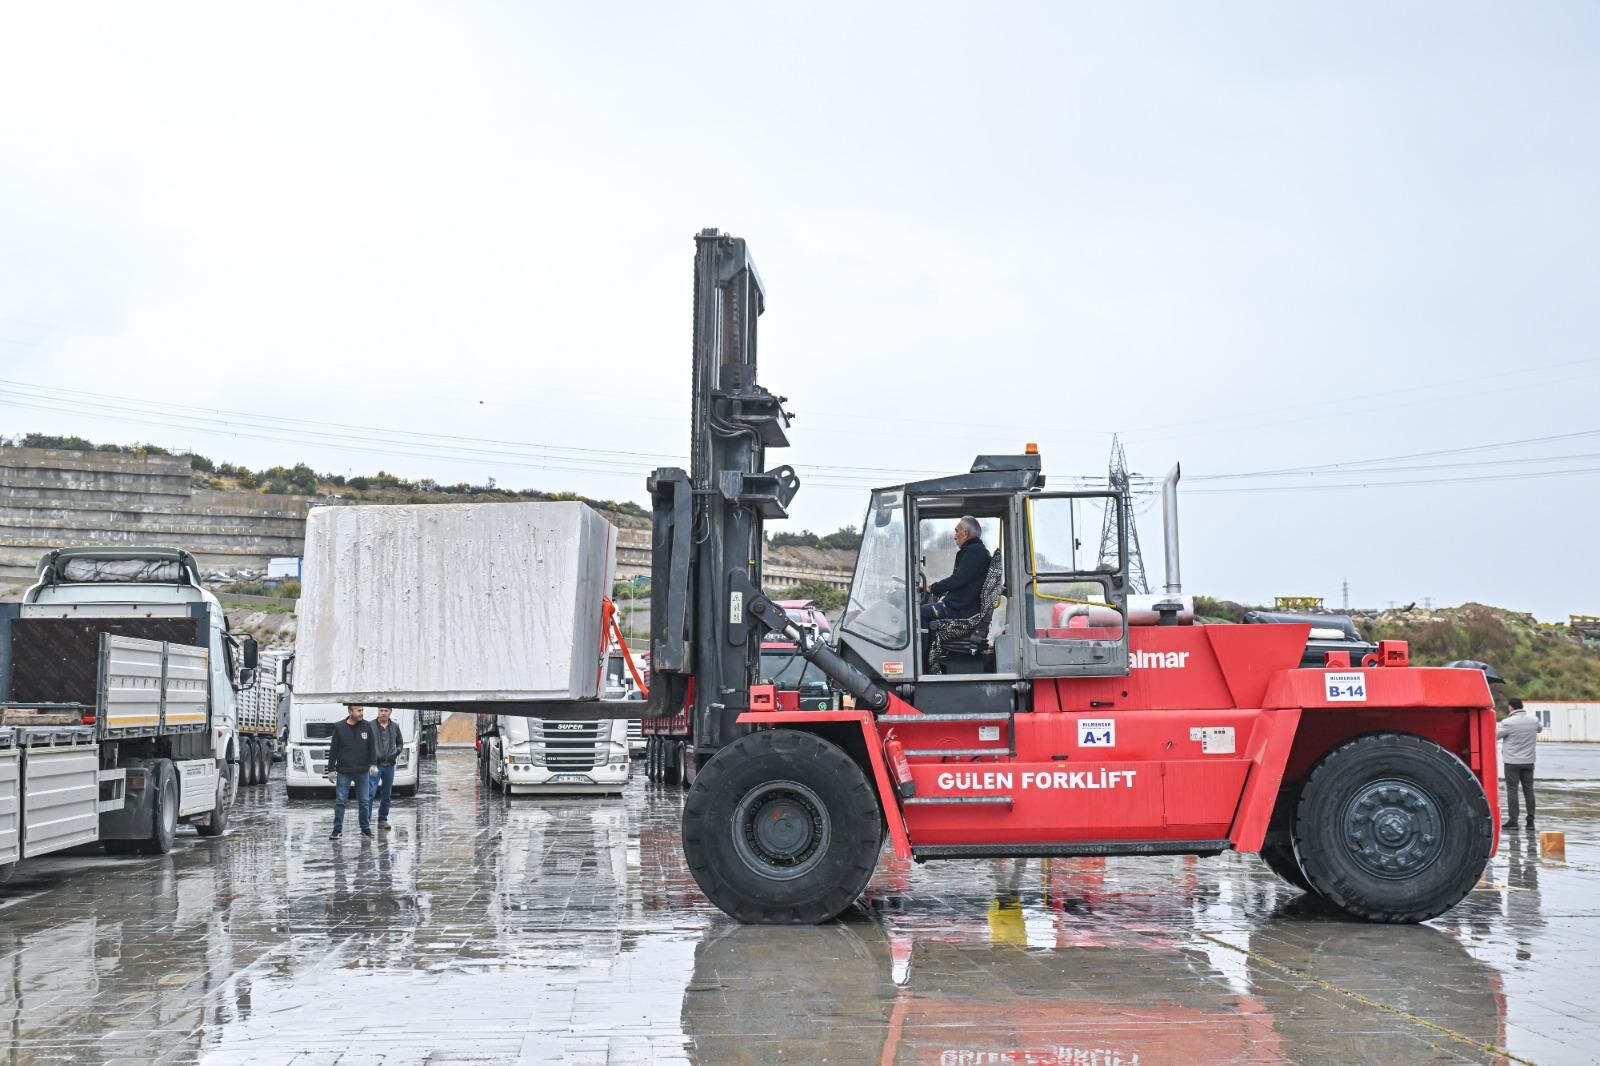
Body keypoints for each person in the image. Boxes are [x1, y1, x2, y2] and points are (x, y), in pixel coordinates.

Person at [920, 516, 991, 627]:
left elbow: (958, 579)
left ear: (966, 533)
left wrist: (933, 588)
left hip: (961, 610)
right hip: (964, 606)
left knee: (920, 613)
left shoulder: (974, 552)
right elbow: (961, 581)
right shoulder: (976, 550)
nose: (955, 536)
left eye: (957, 531)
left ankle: (922, 640)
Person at [327, 704, 377, 839]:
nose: (362, 713)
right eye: (359, 710)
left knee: (364, 801)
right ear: (350, 711)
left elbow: (372, 747)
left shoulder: (367, 726)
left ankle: (365, 828)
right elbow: (333, 749)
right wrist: (331, 769)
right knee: (340, 800)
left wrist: (373, 764)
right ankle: (337, 829)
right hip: (344, 771)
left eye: (362, 710)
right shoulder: (339, 727)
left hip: (362, 771)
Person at [1497, 697, 1542, 832]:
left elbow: (1495, 736)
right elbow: (1539, 729)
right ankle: (1530, 821)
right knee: (1529, 790)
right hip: (1529, 761)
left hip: (1512, 762)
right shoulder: (1533, 720)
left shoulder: (1508, 722)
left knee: (1512, 791)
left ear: (1511, 707)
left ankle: (1513, 821)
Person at [370, 705, 406, 831]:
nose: (383, 713)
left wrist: (396, 751)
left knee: (387, 794)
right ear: (378, 711)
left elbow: (400, 742)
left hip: (389, 766)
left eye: (386, 711)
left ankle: (383, 819)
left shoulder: (395, 726)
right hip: (375, 765)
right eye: (381, 710)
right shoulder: (370, 726)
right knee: (370, 792)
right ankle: (366, 821)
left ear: (390, 712)